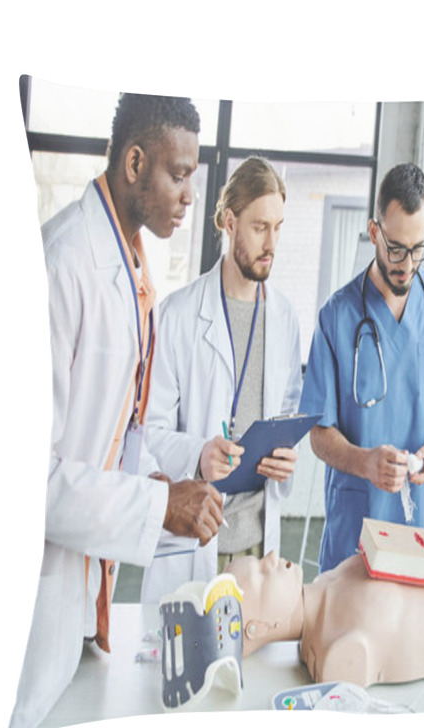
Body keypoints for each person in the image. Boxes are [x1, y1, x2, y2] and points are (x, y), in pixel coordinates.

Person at [9, 94, 224, 728]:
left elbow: (115, 429)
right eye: (178, 174)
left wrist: (158, 483)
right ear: (134, 162)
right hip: (36, 600)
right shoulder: (61, 264)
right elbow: (30, 482)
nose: (190, 195)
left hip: (82, 597)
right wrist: (159, 507)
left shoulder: (132, 266)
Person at [299, 163, 424, 572]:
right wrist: (365, 462)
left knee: (410, 632)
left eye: (418, 248)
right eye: (396, 248)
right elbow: (318, 434)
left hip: (416, 529)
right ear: (374, 232)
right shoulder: (337, 316)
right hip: (355, 529)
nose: (408, 263)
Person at [141, 156, 301, 601]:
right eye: (259, 227)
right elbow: (148, 434)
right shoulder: (177, 315)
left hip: (256, 545)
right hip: (196, 541)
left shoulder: (285, 318)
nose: (272, 243)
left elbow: (288, 410)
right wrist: (198, 454)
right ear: (229, 223)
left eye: (278, 228)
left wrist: (287, 462)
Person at [225, 551, 424, 686]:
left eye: (259, 561)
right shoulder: (338, 649)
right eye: (259, 575)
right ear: (256, 628)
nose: (270, 557)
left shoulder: (326, 583)